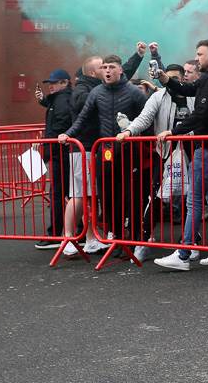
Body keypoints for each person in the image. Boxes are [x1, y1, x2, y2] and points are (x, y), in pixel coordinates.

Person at [153, 39, 208, 271]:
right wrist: (165, 79)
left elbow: (201, 112)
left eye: (199, 54)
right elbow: (189, 89)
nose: (196, 57)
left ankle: (183, 254)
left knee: (195, 201)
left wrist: (174, 130)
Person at [59, 55, 147, 257]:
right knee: (108, 198)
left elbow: (148, 117)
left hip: (129, 151)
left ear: (120, 70)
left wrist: (135, 133)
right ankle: (116, 239)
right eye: (105, 67)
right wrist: (68, 134)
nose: (107, 70)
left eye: (112, 67)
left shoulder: (134, 92)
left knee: (129, 197)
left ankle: (133, 240)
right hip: (105, 152)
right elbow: (82, 118)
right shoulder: (97, 92)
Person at [118, 64, 196, 263]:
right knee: (156, 198)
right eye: (166, 77)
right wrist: (129, 131)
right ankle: (143, 243)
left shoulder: (193, 95)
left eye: (175, 78)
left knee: (194, 199)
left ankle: (193, 241)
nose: (170, 81)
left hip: (192, 151)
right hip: (164, 153)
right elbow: (144, 119)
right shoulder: (158, 97)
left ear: (183, 79)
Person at [34, 68, 73, 249]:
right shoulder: (59, 99)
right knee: (68, 193)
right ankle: (71, 231)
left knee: (59, 194)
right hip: (61, 152)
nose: (50, 86)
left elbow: (61, 123)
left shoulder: (62, 100)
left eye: (54, 83)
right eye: (49, 83)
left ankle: (56, 234)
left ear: (64, 83)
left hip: (60, 153)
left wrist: (48, 144)